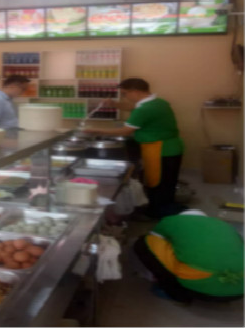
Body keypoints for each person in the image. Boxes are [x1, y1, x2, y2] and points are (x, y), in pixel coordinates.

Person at [83, 78, 184, 218]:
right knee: (167, 181)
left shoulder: (144, 109)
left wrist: (95, 131)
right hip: (171, 147)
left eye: (125, 94)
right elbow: (132, 108)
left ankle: (157, 212)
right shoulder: (158, 102)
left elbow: (125, 131)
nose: (125, 97)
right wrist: (114, 104)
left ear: (135, 91)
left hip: (160, 149)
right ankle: (163, 207)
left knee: (158, 182)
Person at [133, 210, 244, 304]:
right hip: (239, 291)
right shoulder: (224, 225)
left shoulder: (171, 221)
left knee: (145, 242)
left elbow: (154, 236)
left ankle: (175, 292)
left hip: (197, 288)